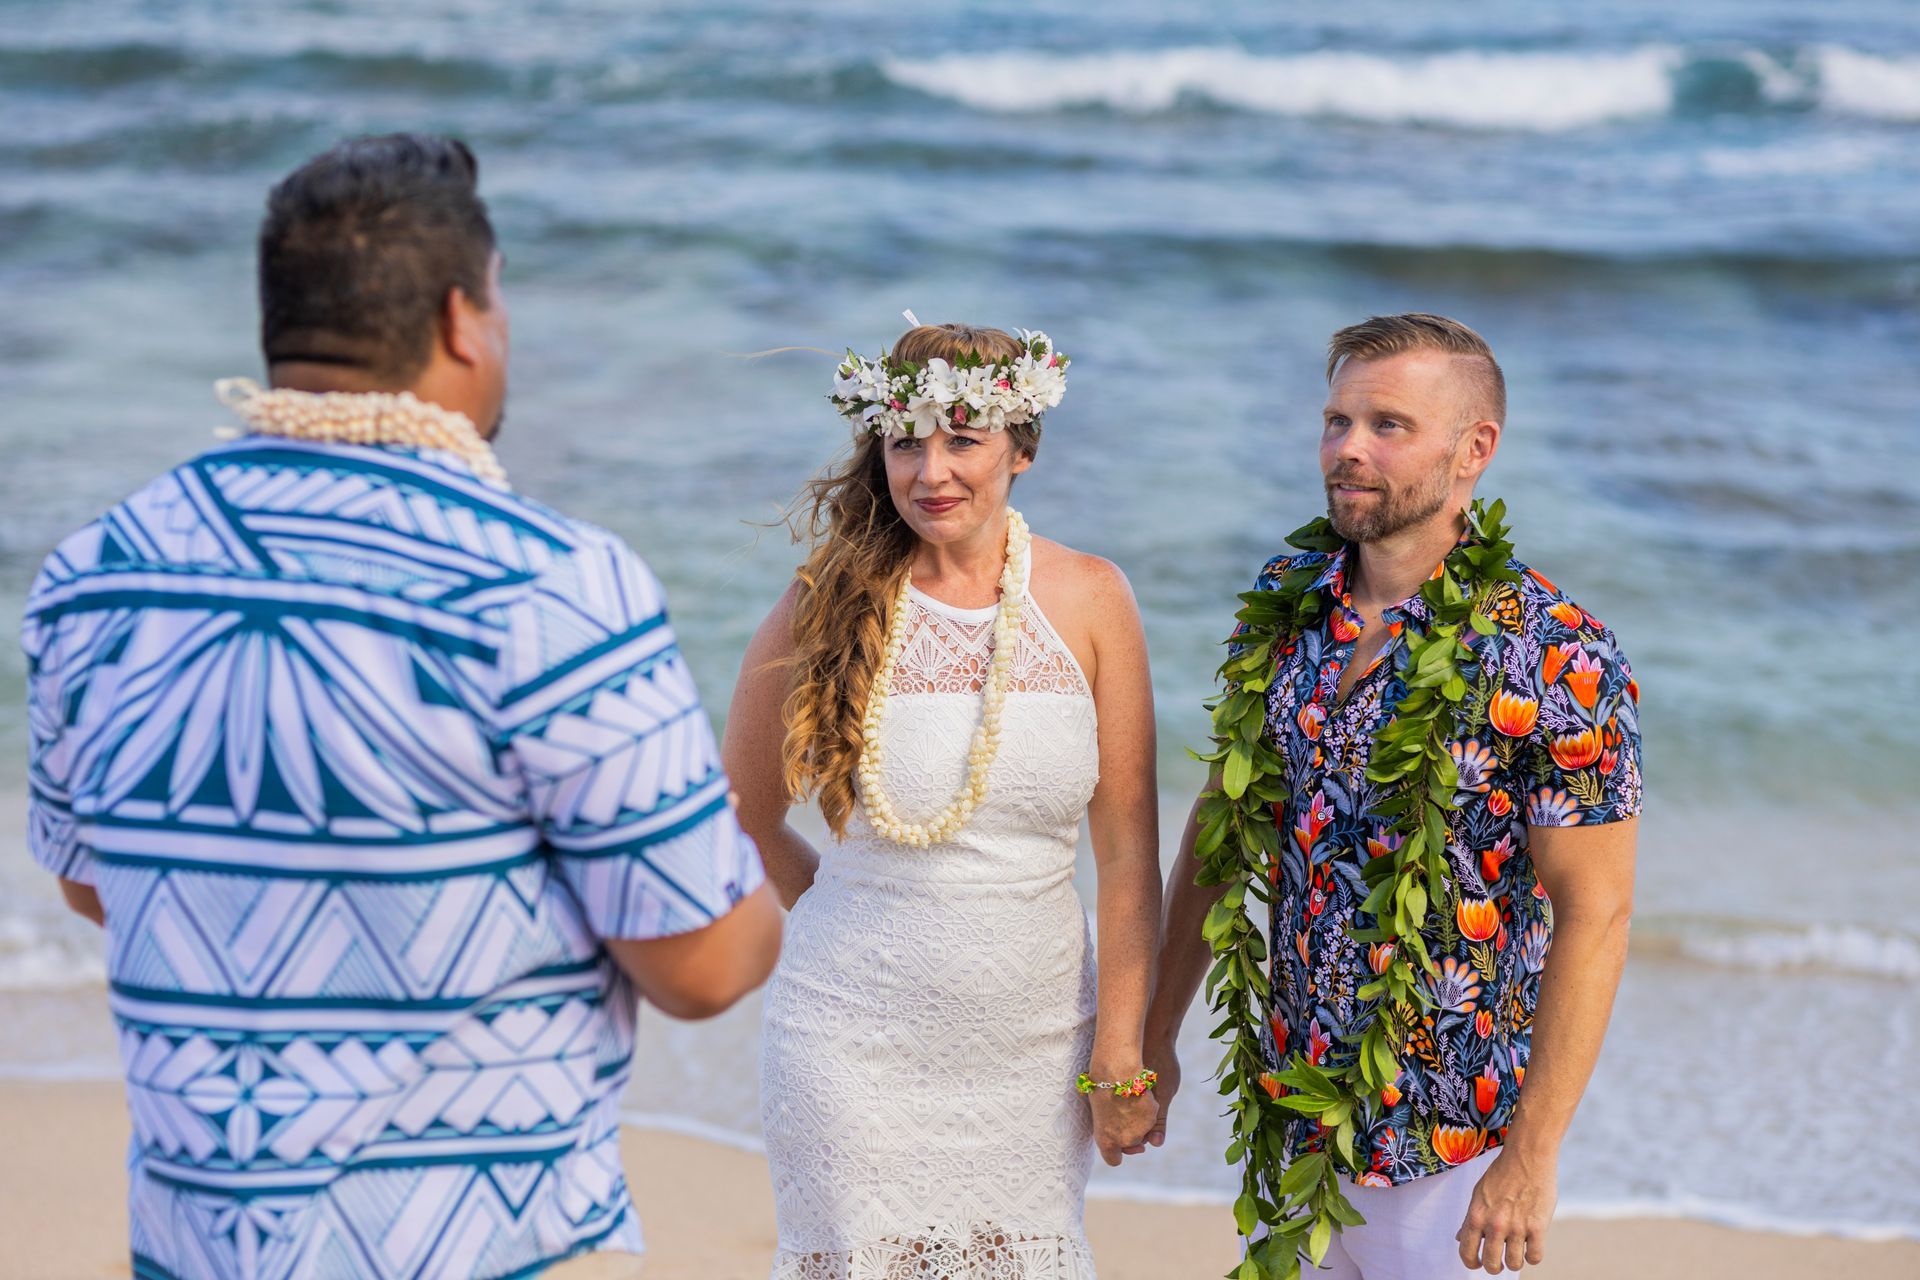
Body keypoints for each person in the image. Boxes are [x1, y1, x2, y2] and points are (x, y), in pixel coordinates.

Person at [20, 133, 781, 1280]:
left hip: (196, 1247)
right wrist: (745, 855)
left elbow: (94, 881)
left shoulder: (96, 572)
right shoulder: (550, 584)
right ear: (461, 319)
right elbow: (704, 965)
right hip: (486, 1250)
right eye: (501, 296)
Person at [1144, 314, 1642, 1278]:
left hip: (1456, 1151)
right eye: (1336, 420)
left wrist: (1531, 1159)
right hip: (1295, 1120)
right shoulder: (1288, 599)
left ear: (1475, 451)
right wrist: (1157, 1035)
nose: (1348, 450)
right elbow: (1217, 834)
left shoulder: (1554, 650)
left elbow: (1600, 912)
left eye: (1388, 425)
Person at [724, 322, 1162, 1278]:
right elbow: (746, 814)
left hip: (1037, 1046)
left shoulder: (1093, 599)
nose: (932, 471)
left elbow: (1130, 860)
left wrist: (1120, 1054)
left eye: (962, 437)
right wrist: (853, 914)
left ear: (1022, 446)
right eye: (905, 441)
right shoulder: (827, 600)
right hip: (850, 1042)